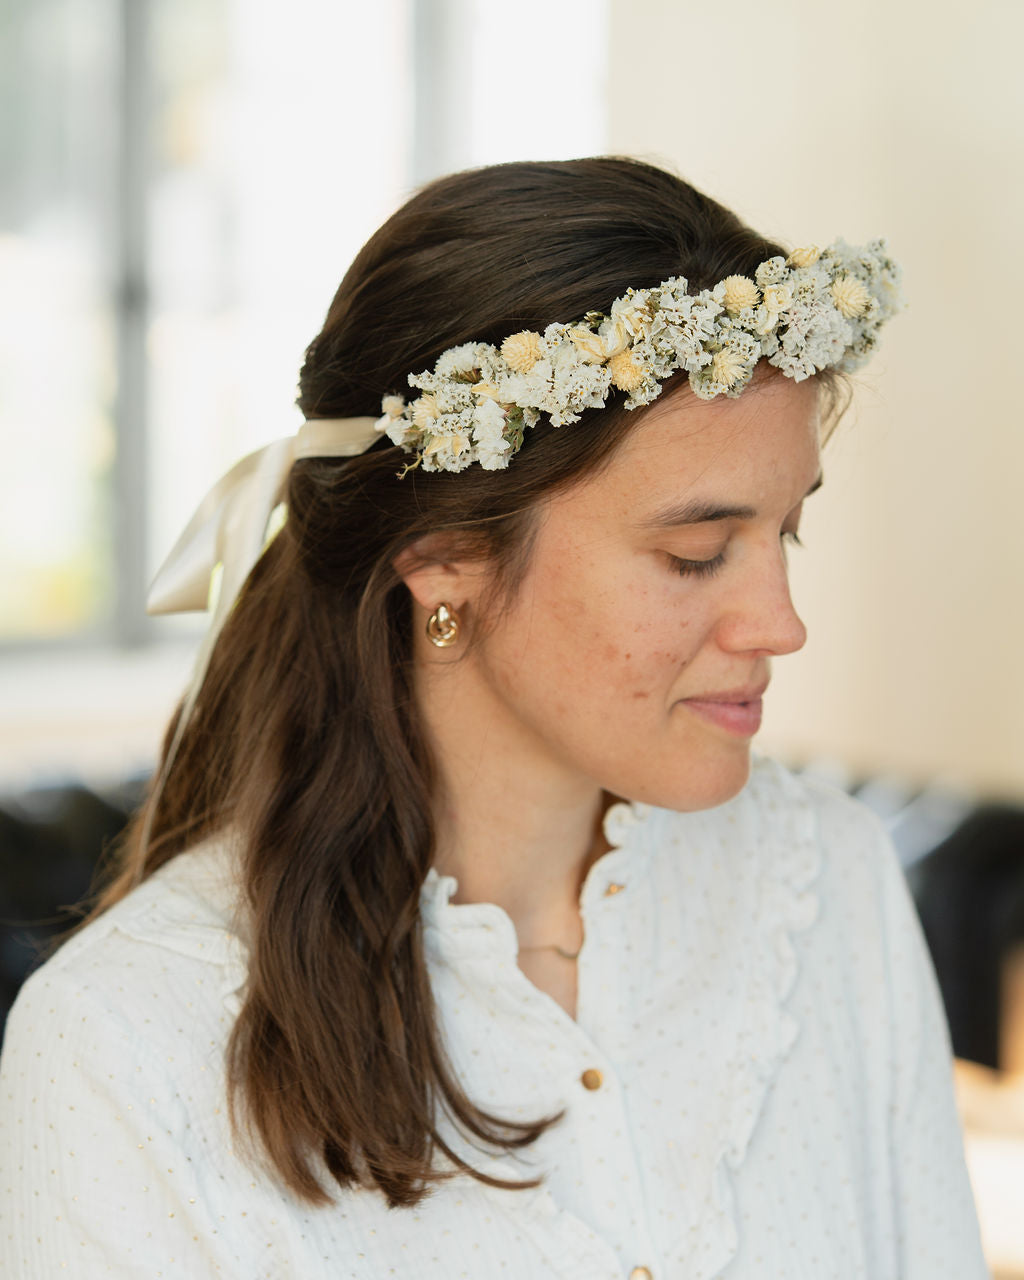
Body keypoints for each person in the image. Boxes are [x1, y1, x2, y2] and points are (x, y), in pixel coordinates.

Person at [0, 158, 989, 1278]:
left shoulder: (831, 887)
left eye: (785, 532)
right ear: (441, 556)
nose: (781, 623)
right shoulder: (126, 1044)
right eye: (695, 553)